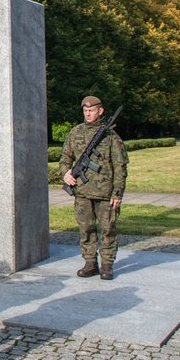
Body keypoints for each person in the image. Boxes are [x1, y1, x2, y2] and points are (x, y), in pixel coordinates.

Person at [59, 96, 128, 281]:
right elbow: (65, 158)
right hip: (82, 192)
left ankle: (107, 265)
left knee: (108, 229)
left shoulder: (111, 137)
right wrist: (65, 172)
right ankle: (90, 263)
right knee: (86, 228)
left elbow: (120, 166)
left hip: (106, 193)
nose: (88, 113)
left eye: (91, 110)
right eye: (85, 111)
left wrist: (118, 192)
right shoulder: (75, 133)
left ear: (100, 111)